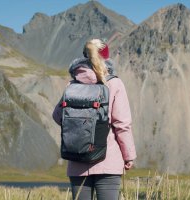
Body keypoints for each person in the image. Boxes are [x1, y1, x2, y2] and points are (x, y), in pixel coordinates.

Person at [52, 38, 136, 200]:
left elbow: (57, 116)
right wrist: (128, 156)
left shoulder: (72, 85)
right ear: (107, 58)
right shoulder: (114, 84)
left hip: (77, 161)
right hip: (108, 161)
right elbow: (122, 124)